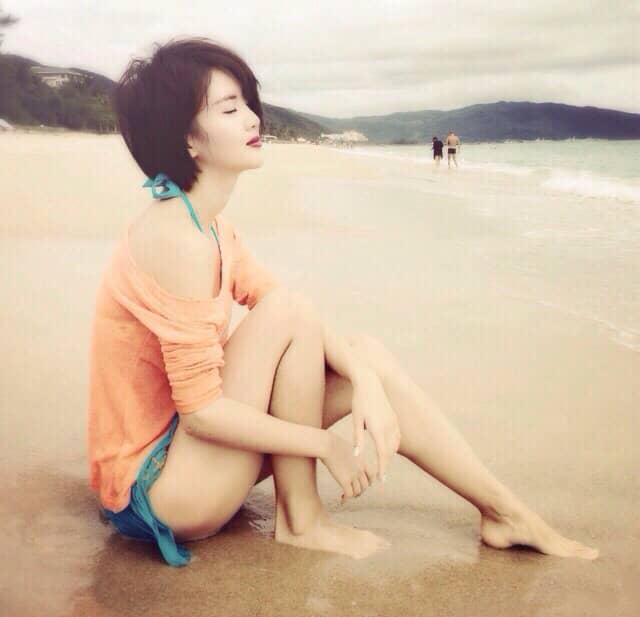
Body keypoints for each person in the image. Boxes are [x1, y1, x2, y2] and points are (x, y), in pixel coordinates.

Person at [87, 36, 599, 567]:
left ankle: (502, 511)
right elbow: (201, 413)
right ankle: (301, 520)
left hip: (190, 462)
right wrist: (324, 444)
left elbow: (281, 306)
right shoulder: (176, 239)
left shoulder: (211, 227)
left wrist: (365, 380)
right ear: (188, 139)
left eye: (248, 103)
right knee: (290, 313)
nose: (253, 119)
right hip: (160, 494)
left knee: (358, 351)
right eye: (230, 109)